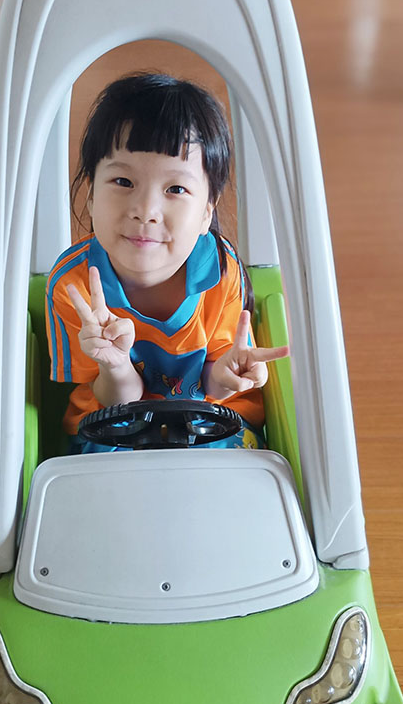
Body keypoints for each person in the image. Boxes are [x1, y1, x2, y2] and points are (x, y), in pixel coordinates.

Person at [45, 73, 288, 453]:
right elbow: (113, 399)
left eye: (176, 189)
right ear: (90, 196)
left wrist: (227, 377)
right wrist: (115, 364)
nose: (145, 210)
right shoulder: (72, 286)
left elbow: (213, 384)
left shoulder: (221, 271)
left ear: (206, 212)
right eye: (123, 182)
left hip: (210, 424)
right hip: (114, 427)